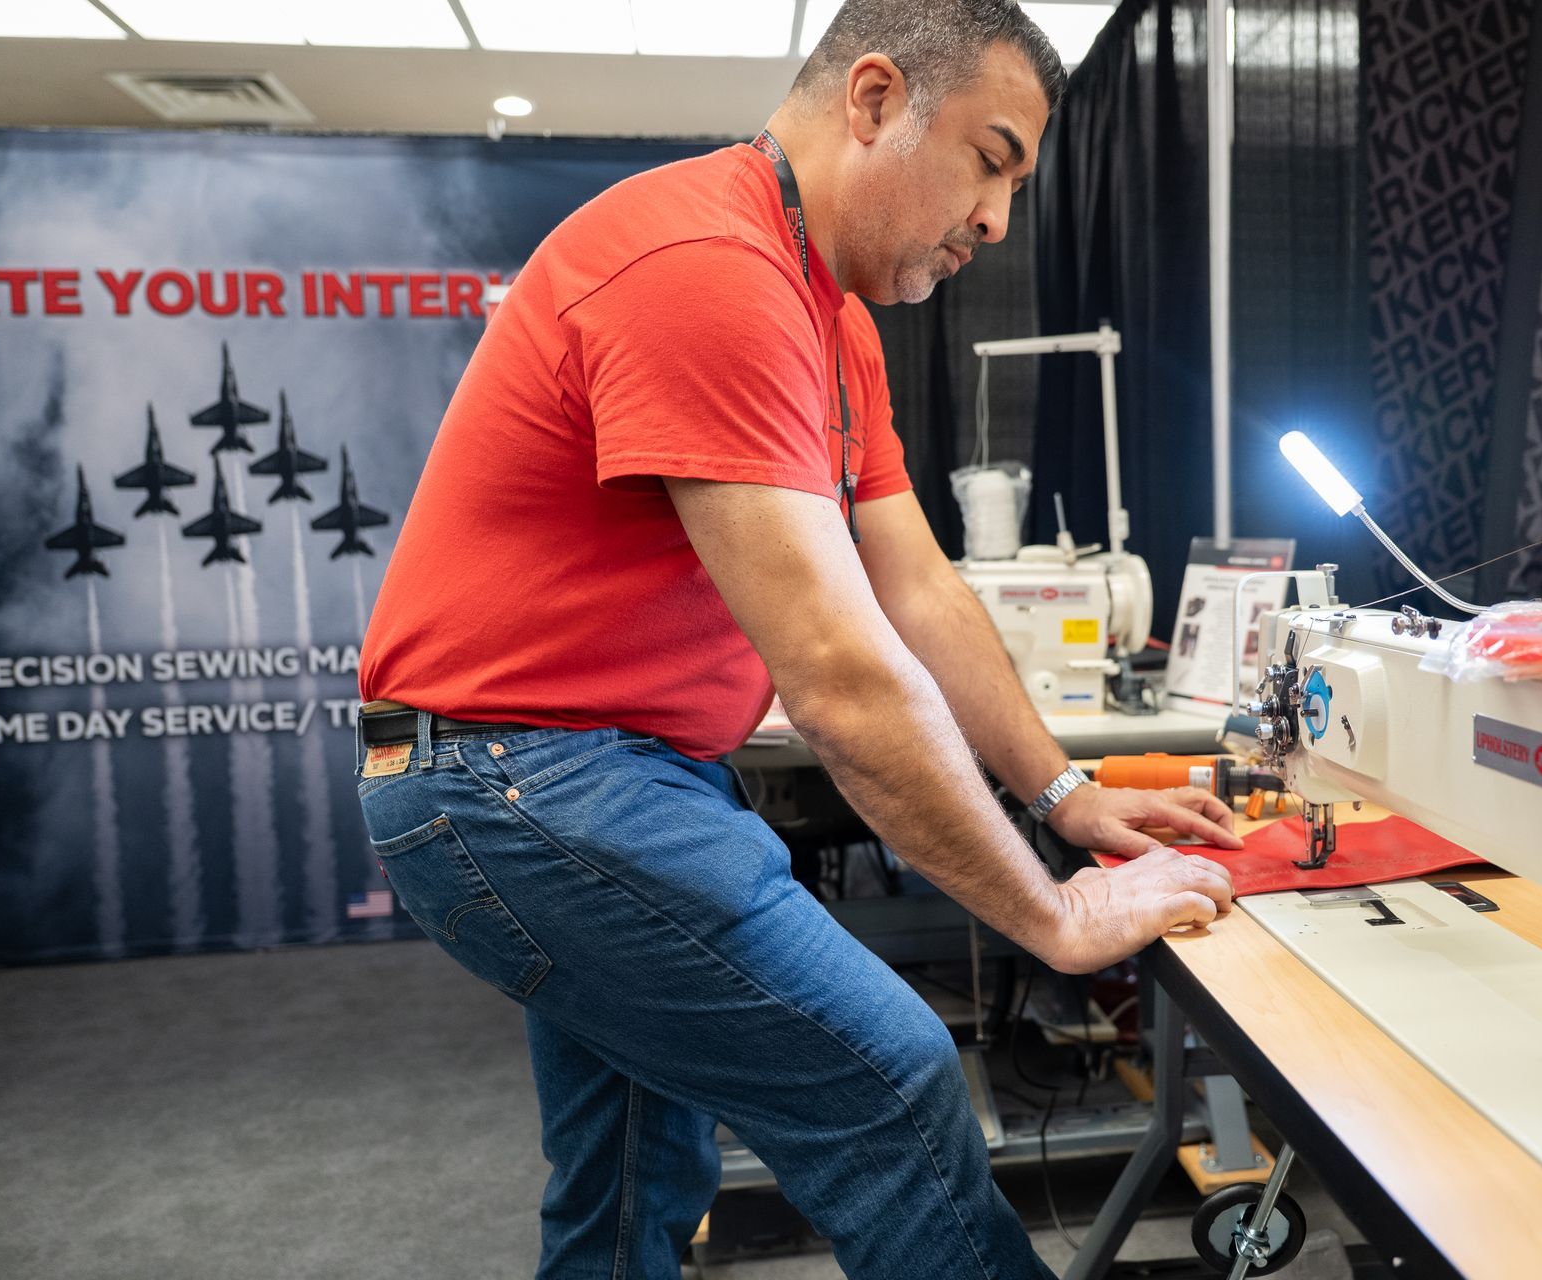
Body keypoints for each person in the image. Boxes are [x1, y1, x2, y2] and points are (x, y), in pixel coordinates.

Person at [353, 3, 1239, 1276]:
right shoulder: (703, 267)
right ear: (874, 100)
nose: (998, 219)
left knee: (630, 1176)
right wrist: (1052, 912)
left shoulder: (831, 322)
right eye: (991, 160)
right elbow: (840, 675)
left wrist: (1065, 789)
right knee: (889, 1081)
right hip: (522, 786)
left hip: (601, 778)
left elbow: (918, 591)